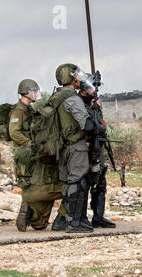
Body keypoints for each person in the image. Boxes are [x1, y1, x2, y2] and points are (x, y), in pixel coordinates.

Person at [11, 79, 67, 232]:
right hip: (28, 155)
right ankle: (30, 202)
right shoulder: (19, 110)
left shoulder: (29, 109)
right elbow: (14, 132)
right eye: (34, 92)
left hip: (34, 154)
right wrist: (30, 144)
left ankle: (30, 213)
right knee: (41, 183)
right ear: (27, 92)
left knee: (40, 225)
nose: (36, 94)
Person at [55, 63, 100, 233]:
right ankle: (74, 222)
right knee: (78, 182)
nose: (79, 78)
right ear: (71, 78)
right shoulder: (72, 99)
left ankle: (68, 219)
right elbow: (86, 125)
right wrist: (97, 124)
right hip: (76, 146)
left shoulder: (56, 97)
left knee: (69, 182)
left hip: (62, 147)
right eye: (77, 75)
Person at [78, 73, 115, 228]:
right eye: (94, 87)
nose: (95, 90)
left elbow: (100, 125)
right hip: (85, 147)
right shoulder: (79, 104)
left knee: (100, 181)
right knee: (86, 181)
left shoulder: (94, 104)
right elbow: (87, 126)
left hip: (97, 146)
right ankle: (81, 217)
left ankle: (98, 216)